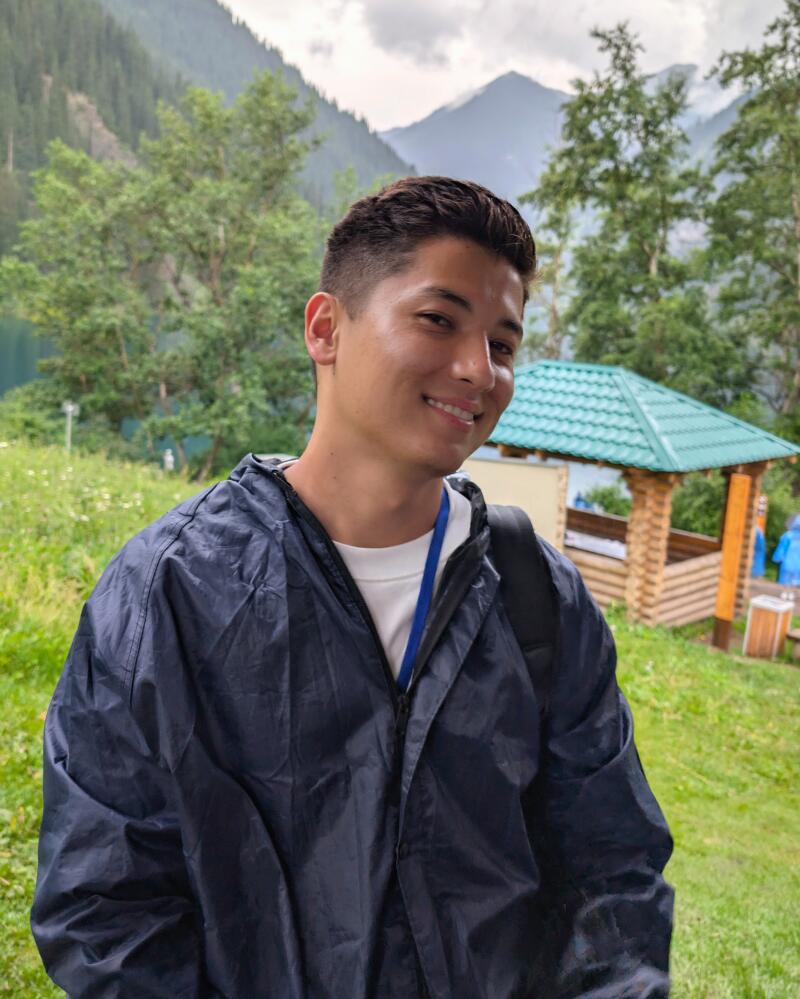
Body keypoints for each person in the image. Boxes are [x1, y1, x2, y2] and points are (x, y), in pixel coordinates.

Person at [32, 176, 673, 998]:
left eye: (504, 344)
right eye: (439, 320)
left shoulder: (533, 594)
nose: (478, 369)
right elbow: (105, 904)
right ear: (326, 328)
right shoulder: (169, 591)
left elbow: (612, 876)